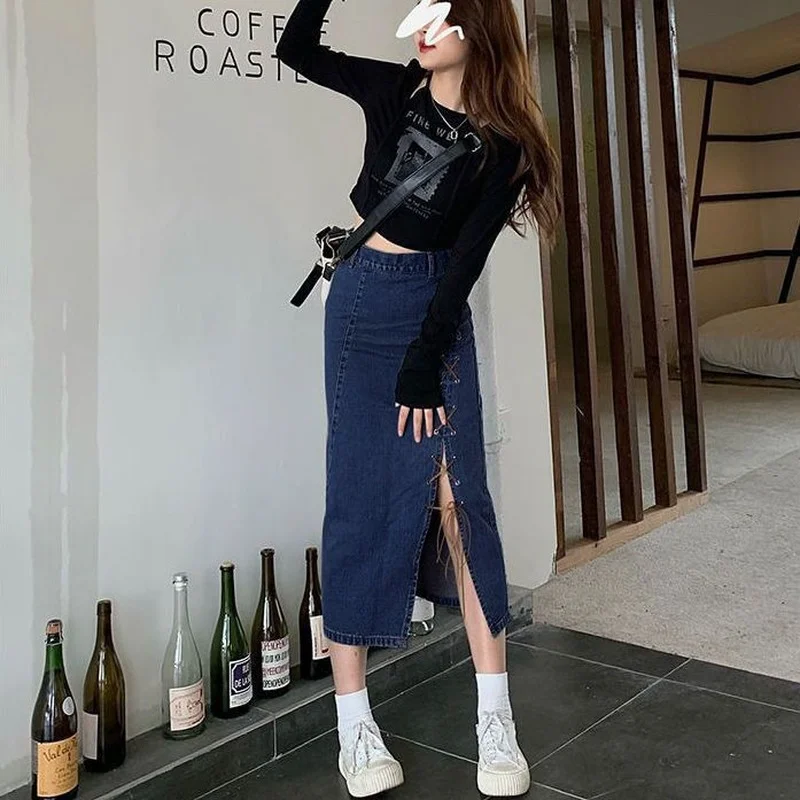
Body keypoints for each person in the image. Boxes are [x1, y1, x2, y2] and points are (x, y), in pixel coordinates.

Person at [277, 1, 561, 796]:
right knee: (360, 498)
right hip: (363, 304)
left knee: (460, 502)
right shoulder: (394, 89)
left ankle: (495, 722)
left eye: (444, 17)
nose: (423, 30)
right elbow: (297, 49)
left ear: (479, 30)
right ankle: (354, 727)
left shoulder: (502, 145)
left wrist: (424, 363)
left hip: (435, 310)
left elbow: (464, 263)